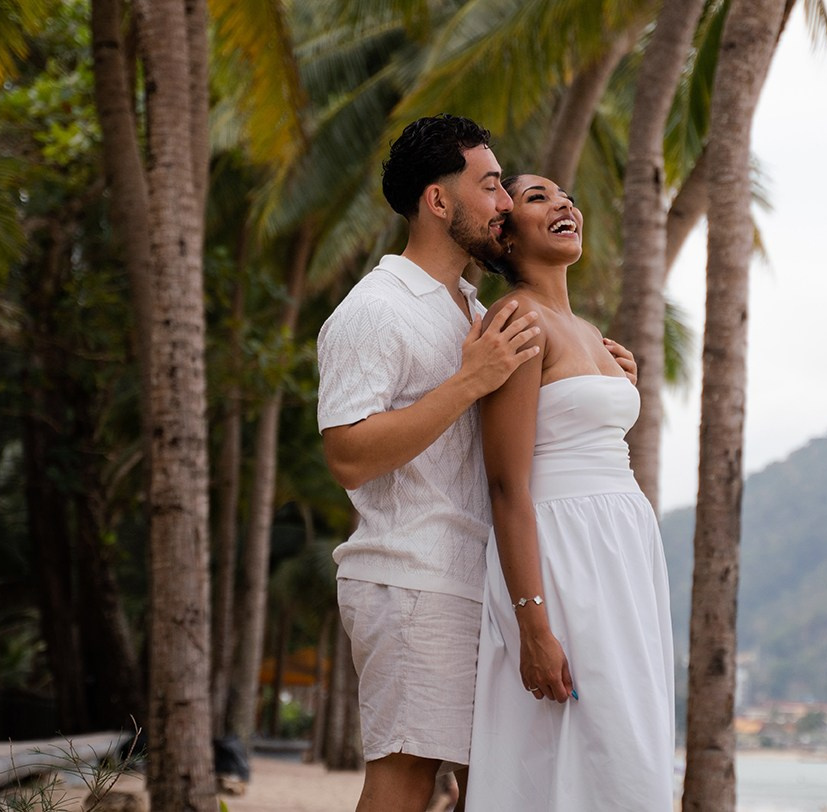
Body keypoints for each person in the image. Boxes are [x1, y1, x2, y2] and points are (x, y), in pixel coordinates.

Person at [316, 115, 542, 812]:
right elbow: (348, 454)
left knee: (490, 783)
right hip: (409, 578)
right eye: (491, 184)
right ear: (438, 202)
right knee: (407, 777)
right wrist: (469, 381)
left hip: (476, 581)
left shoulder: (471, 305)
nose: (504, 202)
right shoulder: (374, 309)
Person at [464, 175, 676, 811]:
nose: (564, 205)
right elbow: (506, 483)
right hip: (562, 557)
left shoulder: (583, 328)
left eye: (568, 197)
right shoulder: (519, 319)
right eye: (538, 198)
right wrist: (533, 624)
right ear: (506, 234)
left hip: (622, 558)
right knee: (576, 747)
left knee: (623, 747)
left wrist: (618, 381)